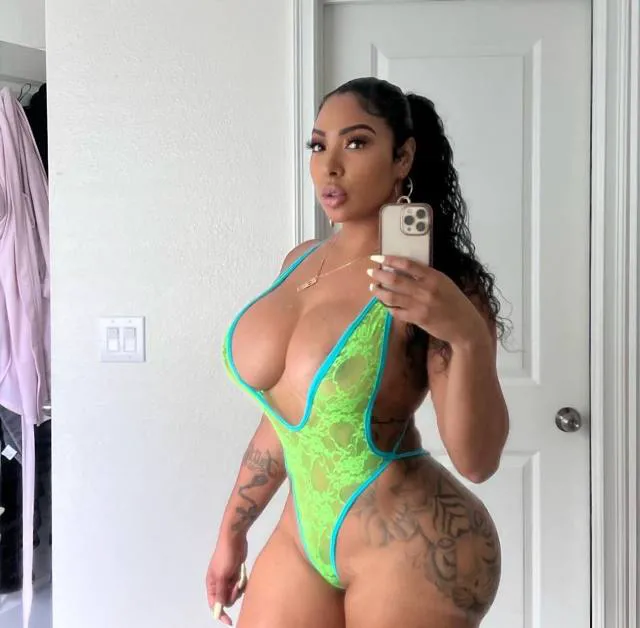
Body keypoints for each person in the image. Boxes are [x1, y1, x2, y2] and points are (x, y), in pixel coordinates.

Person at [206, 77, 509, 628]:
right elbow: (289, 416)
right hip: (302, 539)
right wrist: (232, 530)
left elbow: (477, 460)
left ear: (402, 158)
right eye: (318, 145)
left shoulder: (437, 284)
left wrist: (467, 336)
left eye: (357, 142)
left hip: (412, 546)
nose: (330, 166)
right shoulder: (300, 261)